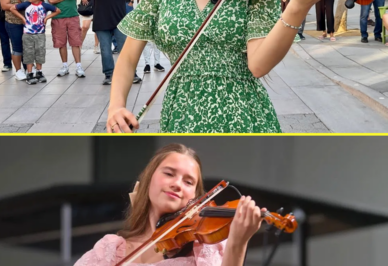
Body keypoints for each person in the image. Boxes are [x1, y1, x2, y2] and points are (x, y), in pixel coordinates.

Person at [106, 0, 320, 133]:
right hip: (181, 113)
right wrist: (116, 106)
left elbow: (258, 66)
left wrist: (297, 8)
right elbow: (127, 59)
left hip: (242, 113)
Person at [74, 143, 265, 266]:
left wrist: (237, 244)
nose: (177, 184)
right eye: (169, 173)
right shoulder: (110, 250)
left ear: (194, 196)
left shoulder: (204, 249)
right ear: (148, 180)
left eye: (188, 182)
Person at [10, 0, 61, 84]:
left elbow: (57, 10)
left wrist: (47, 17)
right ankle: (29, 73)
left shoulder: (44, 5)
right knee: (28, 53)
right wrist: (22, 18)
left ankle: (39, 72)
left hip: (40, 34)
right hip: (28, 34)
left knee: (40, 52)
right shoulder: (26, 4)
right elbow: (12, 8)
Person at [93, 0, 141, 85]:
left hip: (119, 18)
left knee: (125, 48)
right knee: (105, 50)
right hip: (101, 19)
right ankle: (109, 74)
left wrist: (131, 2)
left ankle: (131, 73)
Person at [48, 0, 86, 78]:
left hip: (73, 16)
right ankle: (65, 65)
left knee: (75, 42)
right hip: (58, 17)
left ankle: (79, 66)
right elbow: (51, 1)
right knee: (61, 42)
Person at [0, 0, 28, 80]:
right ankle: (18, 71)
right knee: (17, 48)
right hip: (13, 22)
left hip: (28, 22)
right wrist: (21, 6)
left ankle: (29, 69)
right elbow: (4, 6)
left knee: (28, 47)